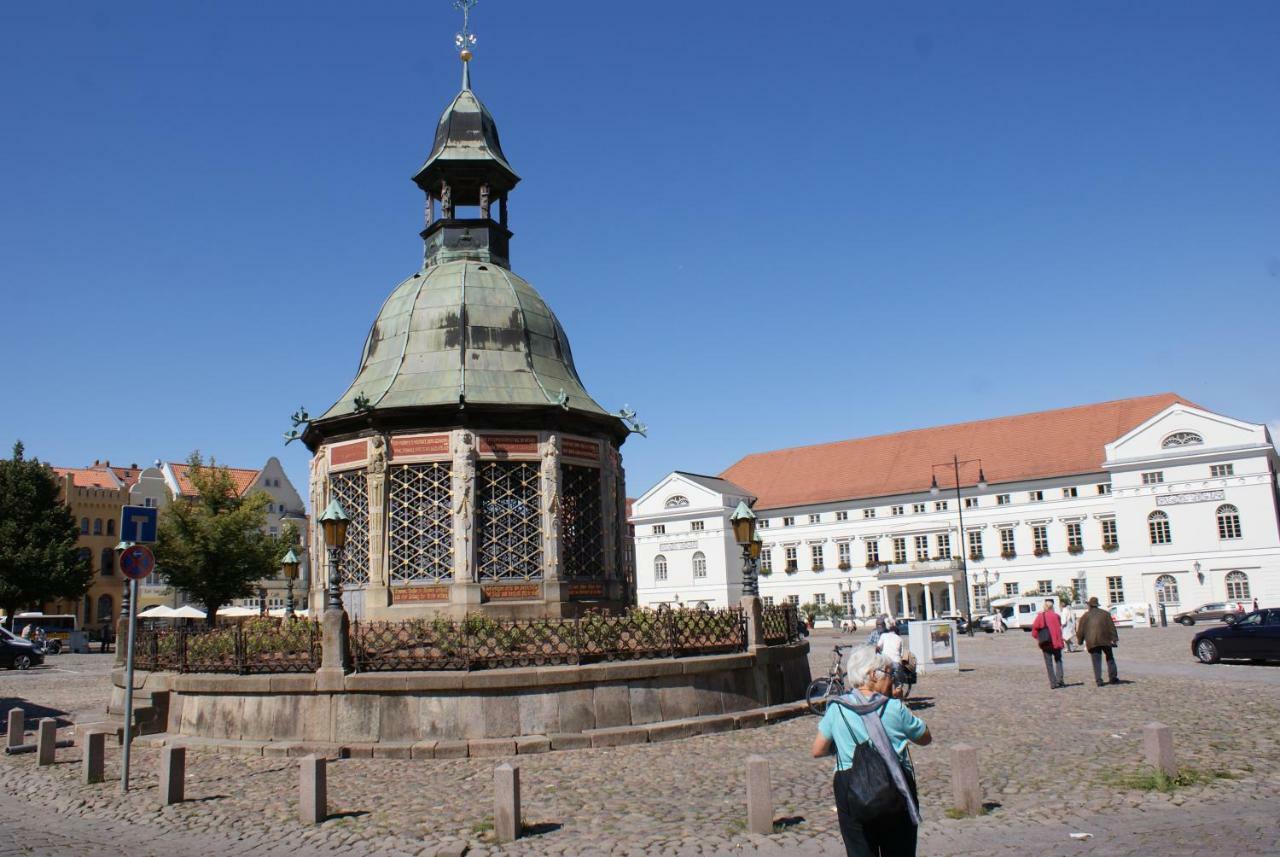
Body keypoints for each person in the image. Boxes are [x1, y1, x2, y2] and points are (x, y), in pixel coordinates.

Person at [813, 646, 932, 857]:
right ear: (872, 675)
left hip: (850, 785)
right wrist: (899, 705)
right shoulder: (894, 708)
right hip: (894, 784)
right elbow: (925, 737)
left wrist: (844, 741)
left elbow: (818, 749)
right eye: (888, 673)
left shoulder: (837, 709)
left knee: (859, 849)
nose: (892, 680)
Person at [1076, 597, 1120, 686]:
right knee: (1110, 658)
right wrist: (1114, 639)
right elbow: (1112, 627)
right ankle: (1113, 677)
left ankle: (1099, 680)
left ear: (1089, 605)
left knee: (1096, 661)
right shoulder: (1105, 614)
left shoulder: (1085, 616)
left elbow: (1080, 630)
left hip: (1092, 641)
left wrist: (1080, 640)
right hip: (1105, 640)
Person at [1030, 600, 1066, 689]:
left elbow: (1034, 630)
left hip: (1046, 642)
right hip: (1057, 641)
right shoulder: (1057, 616)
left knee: (1049, 663)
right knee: (1058, 661)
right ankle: (1060, 679)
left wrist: (1038, 638)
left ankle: (1053, 683)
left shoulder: (1041, 616)